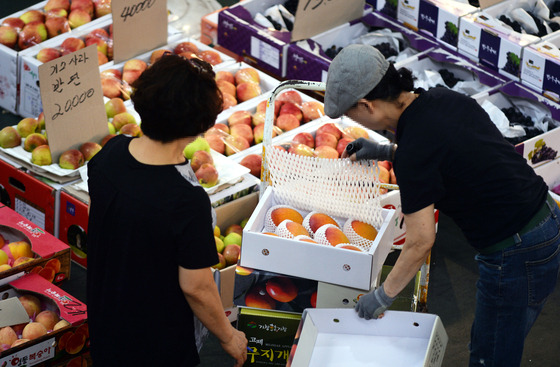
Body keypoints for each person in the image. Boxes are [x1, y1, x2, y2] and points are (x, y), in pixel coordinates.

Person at [324, 44, 560, 367]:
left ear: (367, 105)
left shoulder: (414, 153)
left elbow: (421, 240)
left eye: (350, 113)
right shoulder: (442, 98)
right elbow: (453, 152)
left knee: (490, 356)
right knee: (503, 336)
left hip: (514, 251)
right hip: (547, 220)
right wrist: (387, 152)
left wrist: (382, 297)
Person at [87, 54, 247, 366]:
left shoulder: (110, 155)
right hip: (157, 341)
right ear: (201, 124)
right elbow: (196, 286)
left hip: (107, 319)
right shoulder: (186, 201)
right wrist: (228, 335)